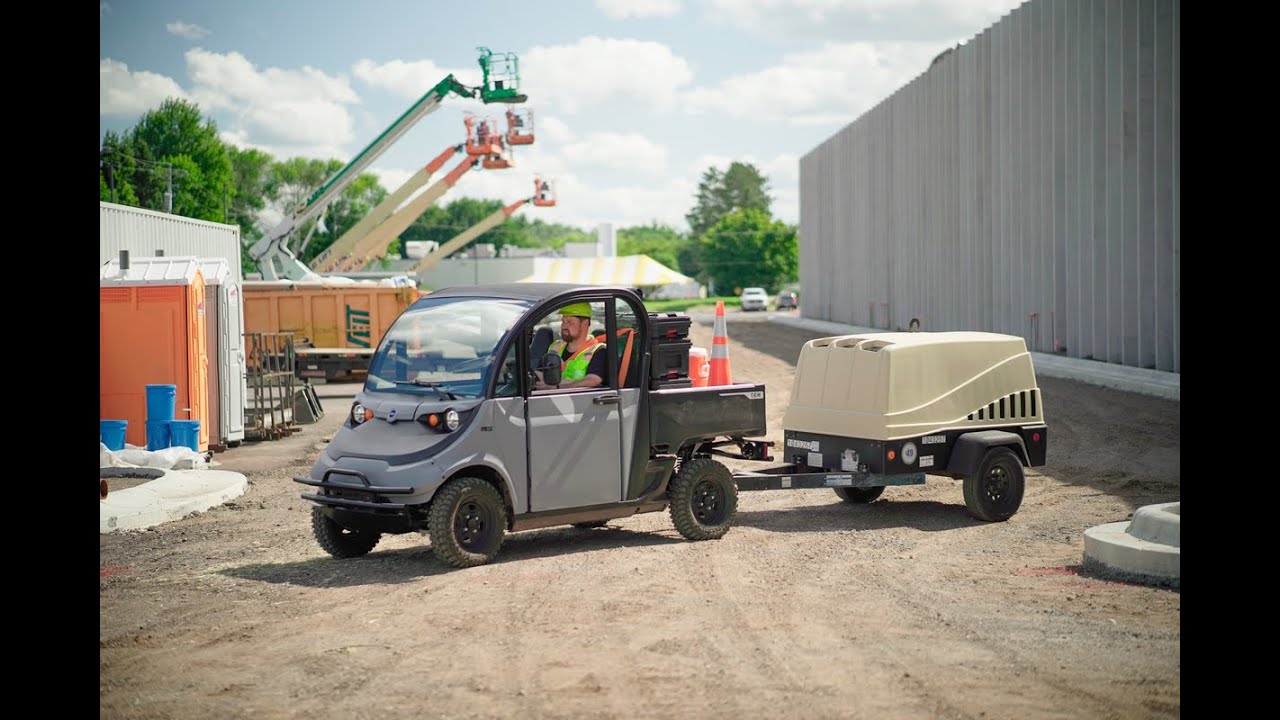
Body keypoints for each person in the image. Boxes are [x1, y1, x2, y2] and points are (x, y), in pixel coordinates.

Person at [534, 302, 606, 390]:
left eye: (569, 322)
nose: (563, 326)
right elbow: (540, 372)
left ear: (585, 324)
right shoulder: (555, 346)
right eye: (563, 321)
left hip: (578, 401)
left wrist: (559, 388)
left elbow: (593, 380)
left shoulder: (598, 351)